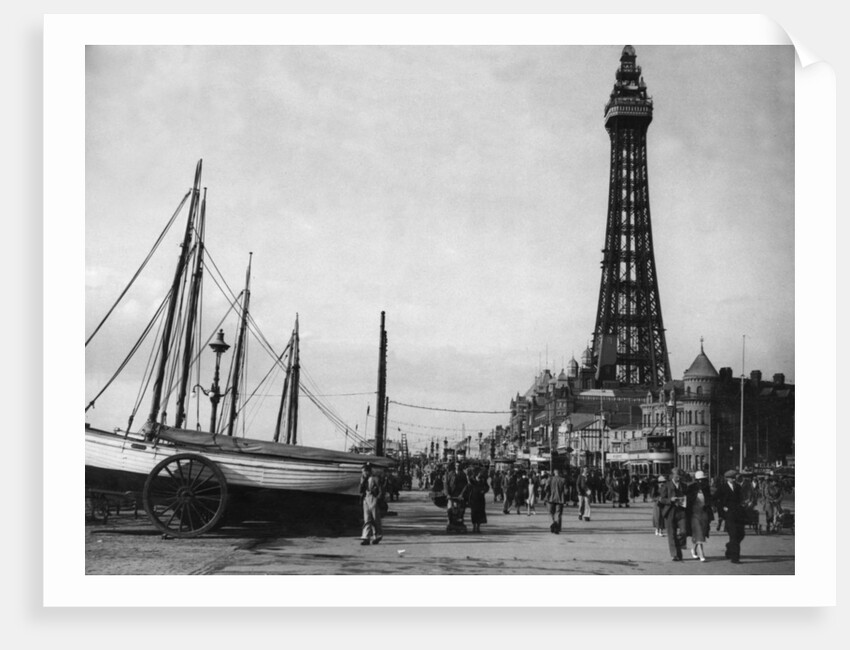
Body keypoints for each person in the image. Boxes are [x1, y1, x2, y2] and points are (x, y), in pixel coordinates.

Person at [714, 469, 746, 563]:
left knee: (741, 534)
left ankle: (729, 546)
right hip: (729, 515)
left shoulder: (738, 487)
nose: (734, 479)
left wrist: (744, 504)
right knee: (733, 535)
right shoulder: (722, 488)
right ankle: (735, 558)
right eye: (732, 478)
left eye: (734, 477)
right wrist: (722, 508)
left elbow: (741, 499)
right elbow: (715, 499)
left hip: (739, 514)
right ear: (727, 478)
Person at [658, 467, 688, 560]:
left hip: (681, 511)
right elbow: (661, 499)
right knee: (671, 534)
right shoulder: (666, 485)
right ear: (672, 476)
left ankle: (679, 546)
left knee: (684, 532)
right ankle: (675, 554)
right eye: (677, 476)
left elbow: (688, 496)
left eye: (680, 476)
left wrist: (685, 500)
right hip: (670, 512)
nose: (678, 477)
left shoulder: (684, 485)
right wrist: (670, 500)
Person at [686, 470, 714, 562]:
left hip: (704, 514)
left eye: (703, 479)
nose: (701, 481)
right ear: (696, 480)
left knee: (701, 533)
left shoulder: (706, 488)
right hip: (694, 514)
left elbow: (709, 499)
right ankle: (701, 554)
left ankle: (694, 549)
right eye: (699, 480)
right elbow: (687, 501)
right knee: (698, 532)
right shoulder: (691, 488)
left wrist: (710, 505)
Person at [359, 463, 383, 545]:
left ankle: (377, 536)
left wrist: (377, 499)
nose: (363, 473)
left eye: (364, 471)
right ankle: (366, 537)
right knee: (367, 519)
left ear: (368, 471)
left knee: (375, 519)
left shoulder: (375, 479)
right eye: (362, 472)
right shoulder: (363, 479)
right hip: (366, 499)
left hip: (373, 498)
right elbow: (360, 490)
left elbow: (381, 490)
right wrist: (362, 482)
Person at [444, 462, 469, 532]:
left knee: (461, 510)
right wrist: (447, 494)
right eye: (456, 465)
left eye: (459, 465)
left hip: (460, 496)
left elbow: (465, 485)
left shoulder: (463, 474)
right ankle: (450, 522)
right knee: (450, 509)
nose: (457, 467)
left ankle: (460, 523)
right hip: (451, 495)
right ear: (455, 466)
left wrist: (462, 494)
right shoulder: (450, 474)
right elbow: (446, 485)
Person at [543, 467, 568, 533]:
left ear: (554, 472)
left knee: (550, 513)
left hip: (550, 498)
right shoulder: (563, 480)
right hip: (560, 499)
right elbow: (566, 491)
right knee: (558, 513)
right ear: (559, 473)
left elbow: (546, 489)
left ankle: (552, 523)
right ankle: (557, 527)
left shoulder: (550, 479)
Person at [468, 469, 489, 533]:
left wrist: (484, 490)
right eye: (478, 473)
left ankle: (478, 527)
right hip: (473, 499)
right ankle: (474, 527)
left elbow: (487, 487)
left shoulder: (483, 480)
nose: (479, 475)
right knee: (474, 513)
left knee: (480, 513)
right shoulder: (471, 480)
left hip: (480, 499)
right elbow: (468, 488)